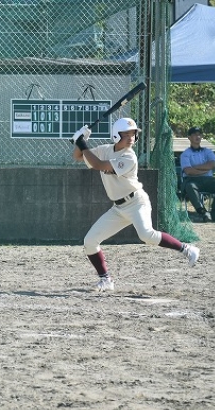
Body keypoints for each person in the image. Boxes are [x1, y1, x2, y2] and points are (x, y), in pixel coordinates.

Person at [72, 118, 200, 292]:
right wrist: (80, 141)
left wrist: (82, 143)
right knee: (90, 241)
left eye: (133, 134)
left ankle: (186, 249)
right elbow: (78, 156)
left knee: (147, 235)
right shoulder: (105, 150)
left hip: (136, 202)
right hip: (118, 208)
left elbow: (99, 165)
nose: (131, 137)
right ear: (116, 135)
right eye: (126, 134)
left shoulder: (129, 156)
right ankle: (105, 280)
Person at [180, 126, 215, 222]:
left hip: (208, 179)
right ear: (189, 137)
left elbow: (213, 164)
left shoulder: (208, 151)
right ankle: (202, 212)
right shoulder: (185, 154)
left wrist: (195, 167)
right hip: (192, 179)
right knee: (190, 186)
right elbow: (188, 171)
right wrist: (204, 169)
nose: (197, 137)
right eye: (194, 135)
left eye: (199, 134)